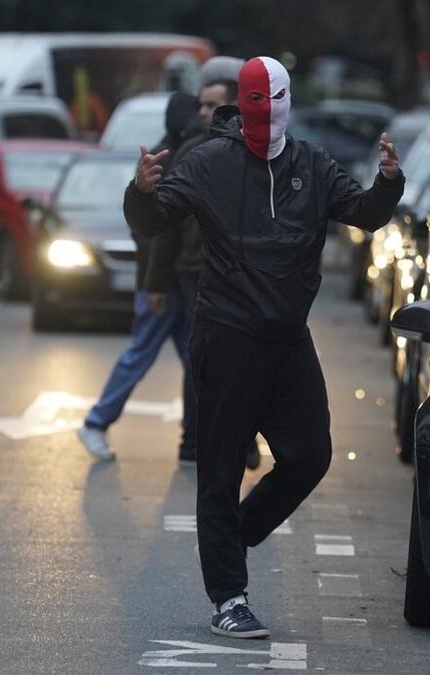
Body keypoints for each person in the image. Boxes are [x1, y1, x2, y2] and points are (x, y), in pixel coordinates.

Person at [125, 56, 403, 638]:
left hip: (287, 340)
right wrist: (140, 192)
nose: (264, 115)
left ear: (287, 103)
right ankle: (229, 599)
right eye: (254, 104)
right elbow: (155, 221)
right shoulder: (208, 162)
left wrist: (388, 184)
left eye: (273, 102)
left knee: (310, 456)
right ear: (243, 107)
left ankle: (238, 532)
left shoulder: (310, 163)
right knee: (219, 471)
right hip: (226, 335)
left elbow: (363, 214)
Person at [143, 59, 262, 468]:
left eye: (213, 106)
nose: (204, 114)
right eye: (203, 106)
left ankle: (241, 437)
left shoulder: (260, 152)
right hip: (196, 271)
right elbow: (166, 223)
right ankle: (194, 441)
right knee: (203, 360)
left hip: (247, 276)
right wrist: (156, 282)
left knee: (245, 361)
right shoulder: (192, 152)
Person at [75, 91, 200, 462]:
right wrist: (155, 283)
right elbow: (157, 230)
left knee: (199, 363)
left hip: (171, 280)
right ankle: (96, 422)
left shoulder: (178, 152)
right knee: (143, 353)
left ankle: (219, 437)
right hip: (164, 282)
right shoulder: (169, 157)